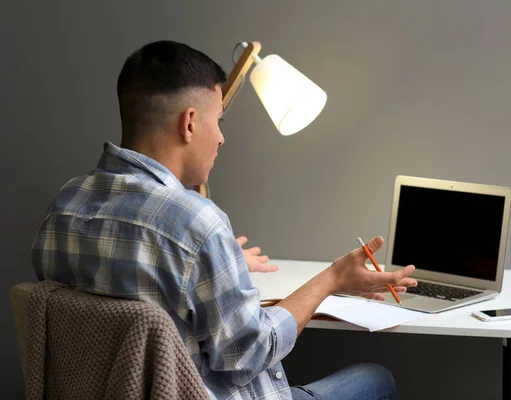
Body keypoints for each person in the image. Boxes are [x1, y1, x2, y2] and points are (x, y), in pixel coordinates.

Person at [31, 40, 417, 400]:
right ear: (190, 123)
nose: (221, 138)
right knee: (376, 378)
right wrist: (332, 279)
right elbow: (249, 354)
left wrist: (217, 261)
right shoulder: (196, 223)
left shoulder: (66, 204)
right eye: (218, 120)